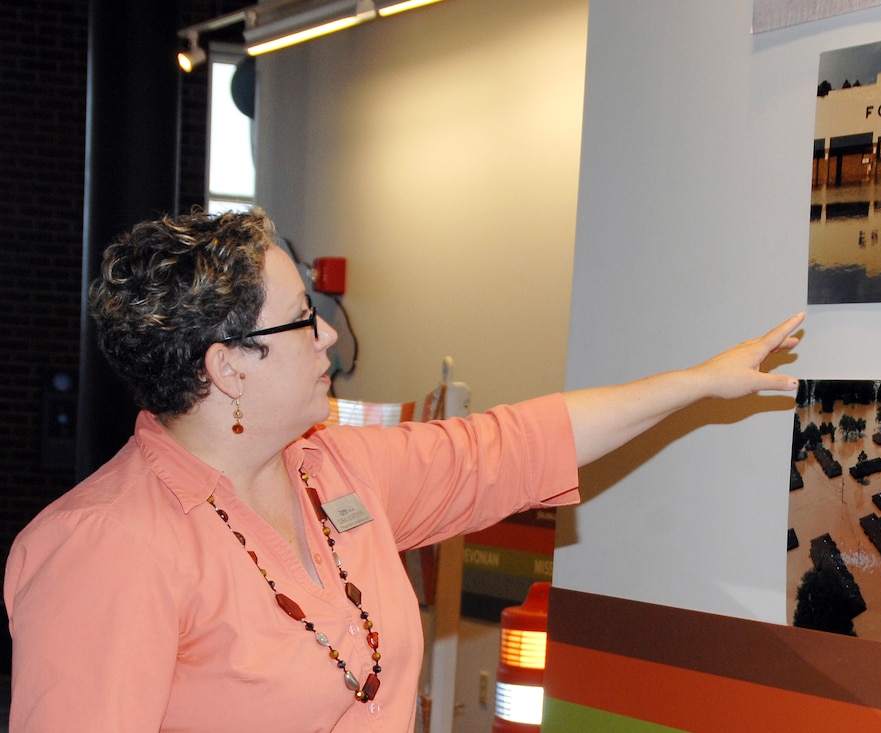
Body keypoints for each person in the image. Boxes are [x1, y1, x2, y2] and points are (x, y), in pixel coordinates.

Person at [4, 208, 804, 733]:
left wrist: (696, 382)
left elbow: (514, 445)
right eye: (301, 319)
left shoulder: (333, 468)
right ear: (229, 365)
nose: (328, 335)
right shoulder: (106, 546)